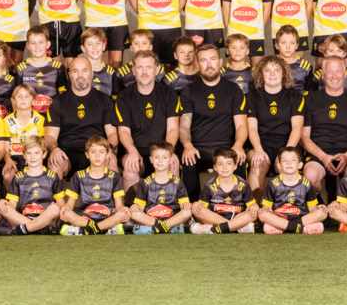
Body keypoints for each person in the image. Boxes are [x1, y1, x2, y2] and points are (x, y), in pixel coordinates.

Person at [179, 44, 248, 200]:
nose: (209, 64)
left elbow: (241, 124)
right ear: (197, 64)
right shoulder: (188, 90)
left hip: (226, 147)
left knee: (239, 159)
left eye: (212, 59)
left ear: (220, 62)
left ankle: (239, 206)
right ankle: (193, 208)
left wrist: (238, 145)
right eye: (203, 60)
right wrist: (187, 145)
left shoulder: (234, 90)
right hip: (198, 148)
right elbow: (184, 125)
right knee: (188, 160)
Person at [115, 51, 180, 190]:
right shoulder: (124, 96)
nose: (144, 72)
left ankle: (169, 203)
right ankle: (132, 204)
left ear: (156, 70)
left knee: (173, 164)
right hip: (135, 150)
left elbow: (173, 128)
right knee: (131, 167)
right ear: (133, 70)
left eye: (149, 67)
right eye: (140, 67)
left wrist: (168, 151)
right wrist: (132, 151)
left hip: (161, 149)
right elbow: (123, 131)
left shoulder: (169, 93)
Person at [45, 56, 118, 180]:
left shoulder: (104, 100)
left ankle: (113, 194)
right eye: (75, 71)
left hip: (95, 151)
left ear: (91, 74)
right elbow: (49, 137)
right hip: (67, 153)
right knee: (54, 162)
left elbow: (113, 135)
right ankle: (56, 194)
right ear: (69, 75)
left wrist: (108, 149)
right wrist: (54, 149)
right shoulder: (58, 102)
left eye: (84, 71)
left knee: (111, 160)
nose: (80, 75)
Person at [301, 57, 347, 200]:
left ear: (345, 74)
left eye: (338, 71)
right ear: (323, 75)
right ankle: (319, 204)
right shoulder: (309, 100)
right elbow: (304, 137)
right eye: (329, 71)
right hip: (318, 154)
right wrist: (323, 156)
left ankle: (345, 208)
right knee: (310, 177)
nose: (334, 76)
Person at [245, 56, 304, 193]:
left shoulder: (295, 95)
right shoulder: (253, 96)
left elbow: (297, 128)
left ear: (284, 73)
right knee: (258, 163)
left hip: (287, 144)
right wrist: (258, 149)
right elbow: (252, 128)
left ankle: (288, 204)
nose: (272, 74)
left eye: (277, 70)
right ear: (261, 74)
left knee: (287, 164)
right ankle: (253, 205)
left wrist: (286, 152)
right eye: (268, 70)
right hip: (260, 144)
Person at [59, 136, 130, 235]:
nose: (97, 156)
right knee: (67, 213)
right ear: (87, 154)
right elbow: (70, 204)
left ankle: (85, 230)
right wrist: (65, 207)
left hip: (107, 217)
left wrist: (123, 209)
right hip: (85, 217)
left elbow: (118, 206)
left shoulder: (114, 176)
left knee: (122, 213)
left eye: (101, 152)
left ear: (107, 154)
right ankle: (105, 229)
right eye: (93, 152)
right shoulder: (79, 176)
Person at [0, 135, 64, 236]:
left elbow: (60, 202)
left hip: (46, 218)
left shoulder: (52, 176)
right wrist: (5, 204)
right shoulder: (18, 177)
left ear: (44, 154)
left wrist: (58, 206)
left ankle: (27, 228)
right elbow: (12, 204)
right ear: (24, 155)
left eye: (37, 153)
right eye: (29, 153)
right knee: (2, 208)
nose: (33, 157)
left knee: (54, 209)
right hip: (25, 217)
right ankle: (39, 228)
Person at [257, 147, 327, 234]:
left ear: (300, 165)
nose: (289, 163)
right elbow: (266, 208)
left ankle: (285, 228)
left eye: (293, 160)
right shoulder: (273, 183)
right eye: (284, 160)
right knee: (262, 215)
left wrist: (318, 209)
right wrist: (266, 211)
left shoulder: (306, 184)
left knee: (322, 212)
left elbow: (312, 209)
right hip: (280, 218)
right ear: (279, 166)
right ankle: (297, 227)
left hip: (301, 218)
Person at [127, 141, 192, 235]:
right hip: (152, 218)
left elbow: (184, 206)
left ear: (170, 160)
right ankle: (168, 228)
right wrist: (135, 207)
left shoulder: (177, 182)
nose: (160, 161)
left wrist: (186, 205)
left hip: (172, 218)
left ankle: (154, 228)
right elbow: (140, 207)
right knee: (134, 213)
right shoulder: (146, 182)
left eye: (165, 157)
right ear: (151, 159)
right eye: (156, 157)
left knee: (188, 211)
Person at [190, 146, 259, 234]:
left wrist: (254, 206)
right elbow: (202, 208)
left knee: (254, 213)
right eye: (220, 164)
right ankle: (237, 227)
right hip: (217, 219)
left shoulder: (243, 185)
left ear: (235, 166)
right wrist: (196, 205)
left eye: (229, 163)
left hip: (238, 217)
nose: (225, 167)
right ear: (215, 167)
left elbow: (251, 205)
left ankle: (213, 229)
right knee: (198, 211)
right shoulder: (209, 186)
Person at [13, 25, 69, 115]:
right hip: (30, 118)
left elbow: (63, 96)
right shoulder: (21, 69)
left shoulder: (58, 68)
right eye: (33, 43)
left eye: (41, 42)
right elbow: (15, 97)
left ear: (48, 44)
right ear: (28, 45)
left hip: (52, 117)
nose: (37, 46)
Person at [2, 84, 46, 176]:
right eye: (19, 96)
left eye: (27, 96)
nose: (23, 99)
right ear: (14, 101)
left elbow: (42, 147)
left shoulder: (41, 120)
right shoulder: (6, 121)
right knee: (7, 176)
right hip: (14, 157)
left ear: (34, 101)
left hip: (34, 157)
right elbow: (5, 149)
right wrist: (8, 160)